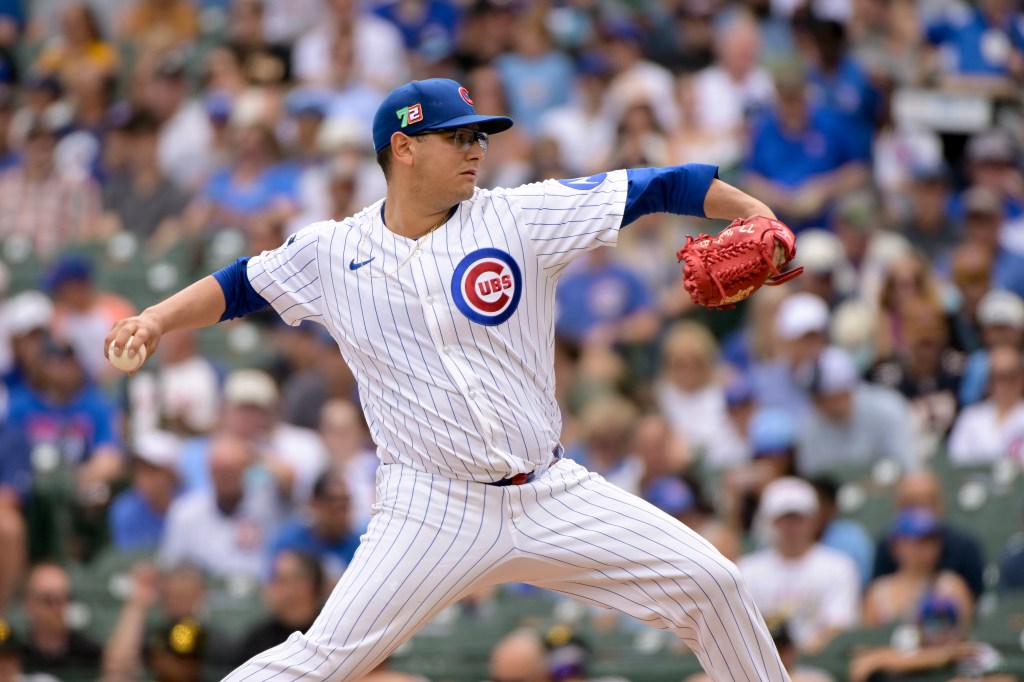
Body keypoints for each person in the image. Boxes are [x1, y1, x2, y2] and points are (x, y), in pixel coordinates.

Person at [107, 77, 792, 681]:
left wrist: (757, 215)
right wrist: (157, 319)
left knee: (715, 583)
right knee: (317, 660)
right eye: (457, 136)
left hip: (550, 491)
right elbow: (240, 285)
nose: (477, 149)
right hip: (431, 508)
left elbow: (660, 185)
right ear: (404, 148)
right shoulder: (331, 250)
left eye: (480, 136)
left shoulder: (517, 216)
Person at [738, 477, 860, 654]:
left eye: (798, 518)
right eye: (784, 519)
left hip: (818, 659)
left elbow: (839, 624)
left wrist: (801, 653)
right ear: (771, 522)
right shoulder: (747, 570)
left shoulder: (839, 566)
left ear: (813, 520)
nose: (791, 527)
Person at [861, 508, 974, 628]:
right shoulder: (878, 592)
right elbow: (866, 641)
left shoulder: (952, 587)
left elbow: (964, 639)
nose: (924, 548)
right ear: (896, 545)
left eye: (930, 540)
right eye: (916, 541)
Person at [266, 468, 362, 583]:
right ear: (314, 503)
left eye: (345, 505)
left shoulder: (361, 548)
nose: (340, 515)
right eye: (332, 504)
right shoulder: (290, 544)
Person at [236, 551, 324, 664]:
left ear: (305, 587)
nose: (268, 587)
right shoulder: (257, 640)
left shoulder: (329, 637)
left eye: (278, 580)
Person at [20, 563, 102, 677]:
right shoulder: (14, 654)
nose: (58, 608)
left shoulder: (90, 653)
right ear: (29, 605)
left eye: (64, 598)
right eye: (49, 600)